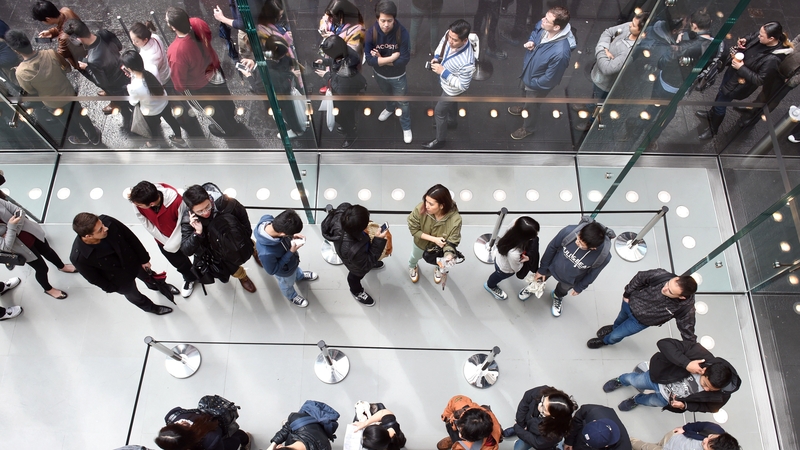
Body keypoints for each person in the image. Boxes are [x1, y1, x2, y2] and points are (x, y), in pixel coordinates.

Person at [697, 21, 792, 140]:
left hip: (739, 84)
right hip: (732, 74)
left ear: (771, 38)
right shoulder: (762, 36)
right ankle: (711, 114)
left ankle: (713, 129)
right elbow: (752, 36)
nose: (758, 36)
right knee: (721, 94)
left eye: (762, 36)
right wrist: (744, 40)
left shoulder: (773, 59)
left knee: (721, 103)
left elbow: (759, 79)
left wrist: (741, 68)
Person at [4, 30, 101, 146]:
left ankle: (81, 138)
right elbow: (67, 68)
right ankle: (94, 136)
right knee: (80, 114)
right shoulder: (50, 53)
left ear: (15, 50)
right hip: (68, 93)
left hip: (53, 103)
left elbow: (31, 91)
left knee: (67, 122)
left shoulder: (21, 72)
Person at [70, 212, 173, 315]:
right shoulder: (79, 258)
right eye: (100, 230)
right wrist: (113, 288)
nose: (105, 228)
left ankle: (162, 287)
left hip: (132, 261)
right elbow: (94, 278)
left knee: (150, 277)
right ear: (88, 236)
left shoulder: (108, 221)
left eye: (102, 224)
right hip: (119, 280)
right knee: (135, 296)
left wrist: (144, 259)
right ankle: (151, 308)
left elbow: (131, 238)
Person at [603, 337, 741, 413]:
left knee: (650, 401)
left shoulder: (722, 395)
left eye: (711, 390)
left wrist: (685, 406)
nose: (706, 390)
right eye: (705, 384)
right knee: (635, 380)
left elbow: (708, 408)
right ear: (704, 371)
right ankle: (621, 380)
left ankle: (636, 400)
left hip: (667, 399)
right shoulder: (700, 354)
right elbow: (664, 343)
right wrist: (686, 363)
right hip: (657, 378)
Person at [164, 7, 243, 138]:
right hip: (214, 70)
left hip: (198, 86)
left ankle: (226, 129)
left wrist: (181, 90)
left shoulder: (176, 51)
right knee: (224, 97)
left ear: (173, 27)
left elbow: (179, 81)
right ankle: (232, 118)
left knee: (212, 109)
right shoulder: (198, 23)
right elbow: (209, 35)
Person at [509, 6, 576, 140]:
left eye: (547, 20)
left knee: (532, 106)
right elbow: (535, 30)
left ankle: (528, 128)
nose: (542, 20)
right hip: (529, 72)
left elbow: (550, 79)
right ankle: (523, 106)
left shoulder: (561, 53)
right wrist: (532, 41)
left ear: (556, 27)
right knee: (525, 94)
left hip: (536, 84)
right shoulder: (545, 26)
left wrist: (533, 83)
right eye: (545, 16)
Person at [587, 269, 698, 349]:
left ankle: (605, 341)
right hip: (629, 304)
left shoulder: (686, 309)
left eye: (670, 291)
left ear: (682, 297)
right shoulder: (661, 275)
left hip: (641, 322)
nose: (664, 289)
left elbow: (688, 332)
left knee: (617, 335)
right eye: (668, 284)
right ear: (676, 278)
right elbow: (640, 277)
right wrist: (627, 294)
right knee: (619, 320)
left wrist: (694, 353)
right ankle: (614, 327)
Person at [576, 12, 648, 131]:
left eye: (634, 25)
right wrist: (606, 51)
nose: (630, 25)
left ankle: (591, 123)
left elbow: (606, 68)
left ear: (641, 31)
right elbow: (608, 32)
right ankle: (589, 105)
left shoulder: (629, 52)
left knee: (600, 104)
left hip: (605, 84)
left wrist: (601, 48)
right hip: (597, 75)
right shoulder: (628, 27)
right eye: (632, 21)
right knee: (595, 95)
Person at [180, 183, 257, 293]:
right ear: (191, 210)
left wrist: (245, 234)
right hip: (220, 253)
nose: (206, 212)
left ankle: (255, 253)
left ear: (209, 197)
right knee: (234, 269)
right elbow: (187, 250)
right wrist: (197, 233)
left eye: (207, 207)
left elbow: (243, 217)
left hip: (238, 237)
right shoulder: (189, 221)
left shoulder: (226, 203)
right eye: (200, 211)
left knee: (251, 246)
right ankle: (243, 277)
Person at [128, 181, 197, 299]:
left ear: (152, 203)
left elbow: (184, 223)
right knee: (179, 263)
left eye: (140, 205)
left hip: (184, 235)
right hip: (162, 240)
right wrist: (165, 241)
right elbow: (146, 222)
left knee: (199, 253)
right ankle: (190, 278)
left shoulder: (177, 201)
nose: (137, 206)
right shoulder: (138, 201)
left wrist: (174, 241)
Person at [1, 194, 75, 299]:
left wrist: (10, 232)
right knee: (42, 269)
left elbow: (20, 211)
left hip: (33, 234)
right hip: (22, 249)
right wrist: (12, 226)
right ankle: (48, 289)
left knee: (48, 251)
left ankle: (62, 266)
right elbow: (5, 246)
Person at [535, 218, 614, 317]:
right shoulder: (570, 231)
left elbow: (592, 274)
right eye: (578, 238)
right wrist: (542, 269)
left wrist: (580, 287)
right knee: (540, 278)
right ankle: (534, 287)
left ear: (593, 248)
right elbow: (552, 247)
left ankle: (557, 296)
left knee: (562, 290)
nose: (577, 242)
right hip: (553, 265)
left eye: (581, 244)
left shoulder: (603, 256)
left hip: (571, 279)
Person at [63, 18, 133, 125]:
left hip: (114, 84)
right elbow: (119, 46)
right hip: (122, 69)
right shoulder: (104, 33)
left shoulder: (92, 60)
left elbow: (102, 82)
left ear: (78, 39)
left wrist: (87, 67)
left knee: (121, 98)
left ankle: (119, 105)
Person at [321, 202, 387, 306]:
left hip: (359, 252)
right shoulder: (352, 249)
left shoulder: (343, 212)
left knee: (367, 259)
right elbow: (365, 265)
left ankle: (373, 262)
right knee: (355, 277)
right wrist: (378, 241)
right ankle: (356, 291)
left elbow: (345, 205)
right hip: (357, 263)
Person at [422, 19, 475, 150]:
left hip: (451, 90)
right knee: (451, 104)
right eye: (450, 37)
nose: (450, 41)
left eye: (455, 40)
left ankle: (440, 140)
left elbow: (463, 85)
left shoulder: (467, 62)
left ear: (464, 40)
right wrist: (436, 56)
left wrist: (443, 72)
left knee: (439, 112)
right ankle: (452, 121)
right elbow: (443, 43)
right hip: (447, 84)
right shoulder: (450, 34)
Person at [365, 1, 412, 144]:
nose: (386, 25)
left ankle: (406, 126)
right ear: (377, 18)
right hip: (379, 74)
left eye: (389, 21)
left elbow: (404, 60)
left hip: (398, 76)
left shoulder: (402, 33)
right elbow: (369, 60)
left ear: (394, 19)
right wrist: (391, 58)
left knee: (403, 102)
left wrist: (381, 59)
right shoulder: (370, 33)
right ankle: (390, 108)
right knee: (387, 94)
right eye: (383, 21)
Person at [121, 50, 186, 149]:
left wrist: (131, 79)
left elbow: (133, 102)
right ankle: (179, 139)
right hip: (164, 103)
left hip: (150, 112)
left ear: (129, 68)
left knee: (153, 129)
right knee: (171, 120)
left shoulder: (133, 86)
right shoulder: (152, 68)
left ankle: (153, 144)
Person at [255, 209, 318, 308]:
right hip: (285, 272)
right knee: (287, 284)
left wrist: (292, 236)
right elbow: (272, 270)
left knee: (296, 271)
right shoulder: (266, 253)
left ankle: (299, 276)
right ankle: (291, 296)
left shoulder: (268, 219)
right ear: (282, 234)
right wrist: (290, 252)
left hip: (292, 263)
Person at [316, 35, 368, 148]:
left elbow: (341, 89)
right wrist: (325, 61)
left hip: (346, 96)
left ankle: (351, 135)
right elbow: (336, 61)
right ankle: (347, 126)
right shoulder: (344, 53)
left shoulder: (347, 67)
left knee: (345, 116)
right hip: (347, 90)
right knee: (342, 115)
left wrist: (327, 76)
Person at [407, 184, 462, 284]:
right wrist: (434, 239)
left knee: (440, 260)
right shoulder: (420, 208)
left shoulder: (455, 220)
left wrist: (448, 255)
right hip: (420, 243)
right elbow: (414, 229)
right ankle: (412, 266)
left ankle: (438, 269)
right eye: (426, 201)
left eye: (431, 204)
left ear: (442, 205)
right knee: (414, 256)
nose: (426, 205)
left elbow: (452, 240)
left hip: (439, 249)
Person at [484, 216, 540, 301]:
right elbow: (516, 268)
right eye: (532, 236)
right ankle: (490, 286)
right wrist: (526, 260)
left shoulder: (515, 223)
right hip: (505, 269)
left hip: (499, 257)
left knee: (497, 273)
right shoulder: (514, 253)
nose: (535, 236)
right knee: (497, 276)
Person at [505, 385, 576, 450]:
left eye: (544, 408)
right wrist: (521, 423)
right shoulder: (545, 392)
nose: (539, 404)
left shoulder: (554, 434)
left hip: (534, 435)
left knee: (518, 448)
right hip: (526, 422)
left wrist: (517, 428)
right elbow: (526, 399)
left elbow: (537, 443)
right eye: (542, 401)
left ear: (553, 417)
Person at [156, 407, 251, 450]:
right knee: (238, 434)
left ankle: (246, 441)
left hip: (220, 434)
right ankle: (245, 438)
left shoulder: (211, 441)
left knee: (234, 438)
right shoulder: (172, 416)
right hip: (209, 420)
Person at [31, 1, 87, 71]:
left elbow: (60, 56)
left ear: (48, 19)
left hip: (82, 59)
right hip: (86, 43)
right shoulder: (65, 10)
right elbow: (66, 26)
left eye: (43, 21)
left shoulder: (64, 38)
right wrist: (51, 32)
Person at [266, 403, 335, 450]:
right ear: (279, 446)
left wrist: (273, 443)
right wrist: (273, 444)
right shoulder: (296, 420)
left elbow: (287, 427)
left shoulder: (298, 421)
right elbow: (287, 427)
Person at [630, 422, 738, 450]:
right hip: (674, 437)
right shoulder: (715, 429)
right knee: (645, 446)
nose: (705, 439)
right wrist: (684, 428)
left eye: (707, 445)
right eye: (711, 437)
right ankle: (624, 441)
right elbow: (698, 425)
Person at [564, 405, 630, 450]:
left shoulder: (623, 448)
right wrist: (569, 441)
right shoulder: (593, 411)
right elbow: (578, 419)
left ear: (606, 445)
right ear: (594, 421)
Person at [129, 22, 172, 88]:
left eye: (136, 41)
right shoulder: (155, 37)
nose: (133, 43)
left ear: (145, 40)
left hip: (163, 80)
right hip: (167, 69)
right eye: (132, 40)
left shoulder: (150, 58)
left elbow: (150, 76)